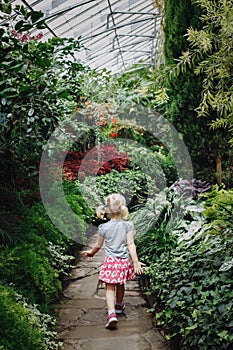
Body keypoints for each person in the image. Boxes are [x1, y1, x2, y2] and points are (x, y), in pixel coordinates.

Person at [83, 193, 144, 329]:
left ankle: (111, 314)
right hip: (123, 262)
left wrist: (91, 253)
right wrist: (135, 262)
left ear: (107, 210)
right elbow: (130, 244)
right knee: (120, 284)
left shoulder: (103, 228)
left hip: (110, 262)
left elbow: (98, 246)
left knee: (109, 287)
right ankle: (119, 305)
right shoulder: (128, 225)